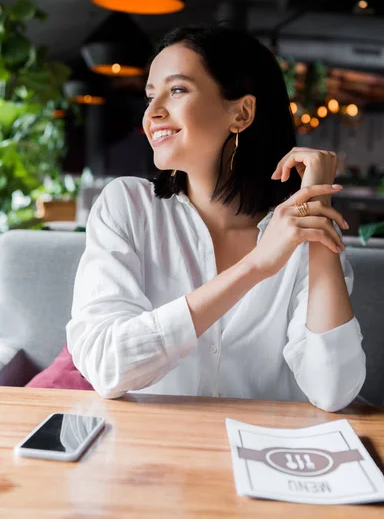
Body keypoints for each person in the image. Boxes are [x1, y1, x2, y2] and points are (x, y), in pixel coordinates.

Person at [66, 24, 366, 411]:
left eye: (176, 90)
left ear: (241, 113)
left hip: (269, 454)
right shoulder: (126, 206)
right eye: (150, 95)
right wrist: (256, 266)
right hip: (150, 456)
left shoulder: (298, 227)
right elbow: (106, 365)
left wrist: (316, 211)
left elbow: (334, 391)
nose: (153, 113)